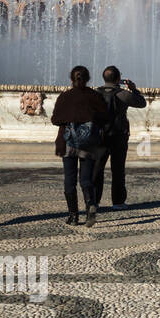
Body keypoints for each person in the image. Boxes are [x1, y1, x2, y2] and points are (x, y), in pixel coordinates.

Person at [51, 65, 109, 227]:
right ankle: (90, 204)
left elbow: (55, 120)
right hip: (88, 143)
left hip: (68, 143)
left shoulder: (65, 97)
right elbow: (105, 117)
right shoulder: (94, 96)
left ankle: (73, 216)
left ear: (71, 78)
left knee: (69, 179)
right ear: (88, 78)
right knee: (86, 178)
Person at [93, 66, 147, 211]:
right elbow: (142, 103)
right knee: (118, 170)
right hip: (118, 136)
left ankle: (94, 201)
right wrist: (134, 89)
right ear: (118, 79)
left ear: (104, 78)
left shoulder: (95, 94)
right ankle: (118, 202)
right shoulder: (123, 94)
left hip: (100, 137)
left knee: (97, 169)